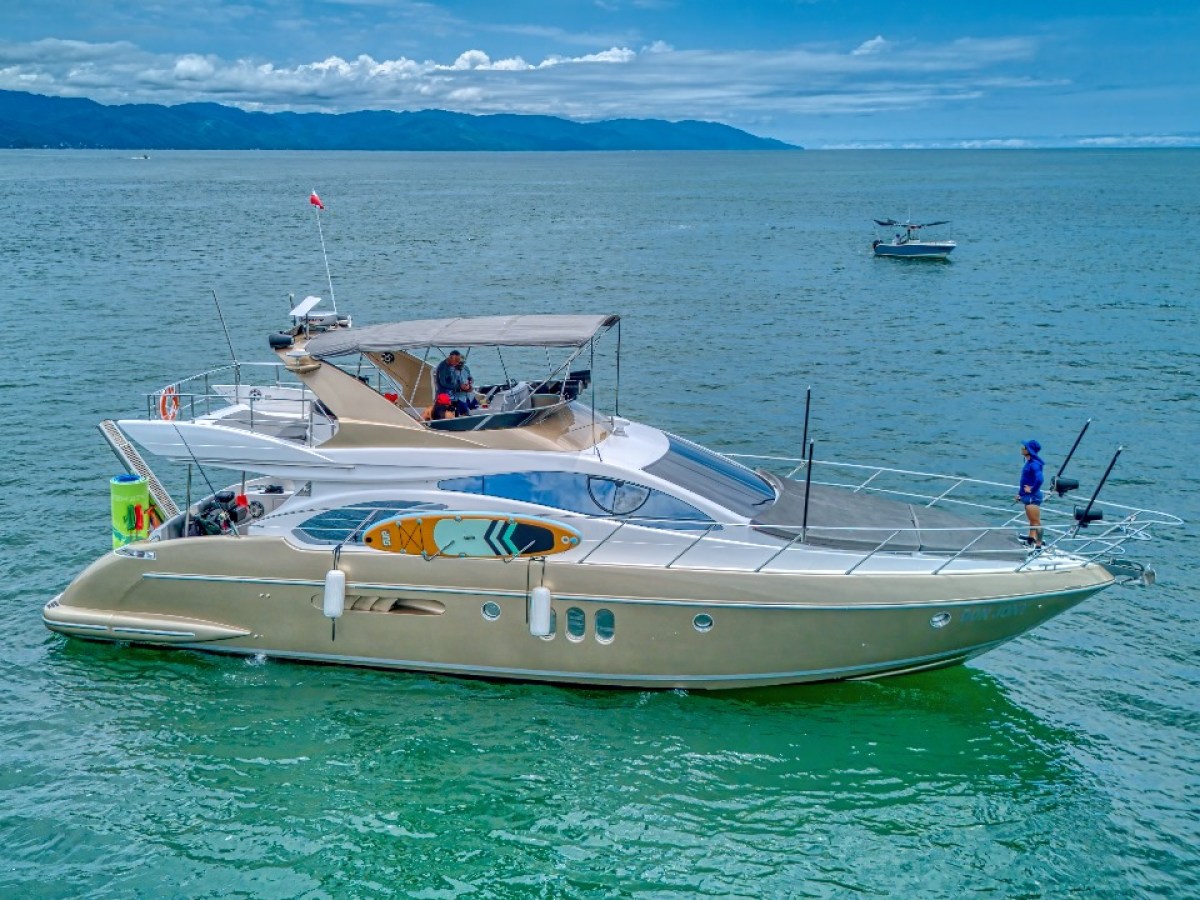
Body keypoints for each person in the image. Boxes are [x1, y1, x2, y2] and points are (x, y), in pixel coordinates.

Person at [1016, 439, 1045, 548]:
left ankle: (1039, 544)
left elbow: (1040, 479)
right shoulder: (1028, 462)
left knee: (1035, 521)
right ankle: (1031, 538)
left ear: (1030, 451)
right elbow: (1025, 480)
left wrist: (1032, 489)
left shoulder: (1034, 465)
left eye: (1025, 447)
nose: (1022, 449)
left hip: (1033, 497)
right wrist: (1021, 494)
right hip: (1027, 496)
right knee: (1031, 520)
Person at [435, 350, 478, 416]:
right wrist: (459, 387)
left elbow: (469, 377)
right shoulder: (444, 368)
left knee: (474, 403)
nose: (458, 363)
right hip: (449, 393)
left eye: (460, 362)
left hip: (463, 392)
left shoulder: (464, 368)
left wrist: (469, 383)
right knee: (462, 404)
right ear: (451, 358)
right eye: (457, 361)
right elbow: (443, 383)